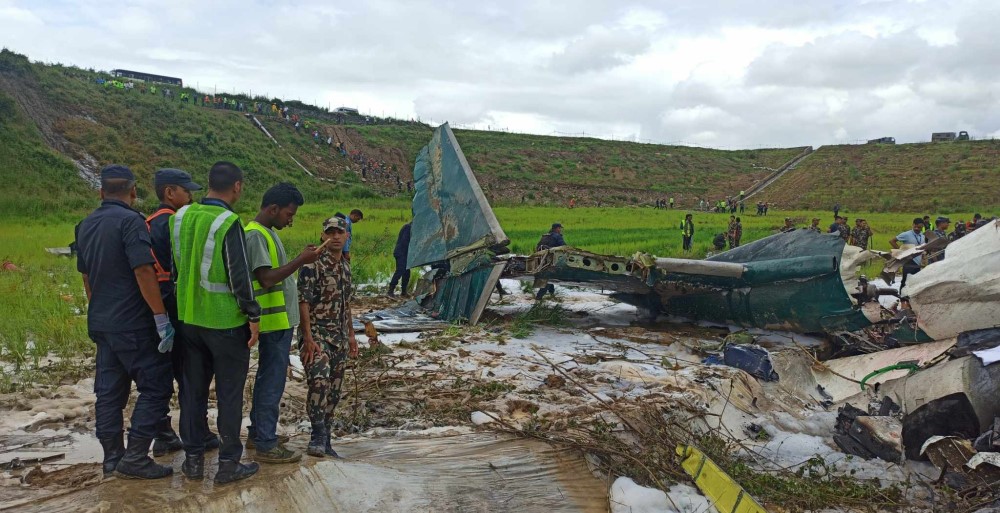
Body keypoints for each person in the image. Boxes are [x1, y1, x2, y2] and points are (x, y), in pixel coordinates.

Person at [76, 165, 174, 480]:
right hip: (132, 323)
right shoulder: (132, 222)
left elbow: (86, 275)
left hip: (102, 323)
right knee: (156, 386)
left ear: (101, 192)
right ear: (133, 192)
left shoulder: (85, 225)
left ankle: (112, 459)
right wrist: (161, 317)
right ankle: (135, 458)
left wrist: (99, 308)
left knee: (108, 393)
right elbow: (144, 270)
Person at [170, 161, 261, 484]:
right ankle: (228, 464)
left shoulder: (181, 216)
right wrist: (253, 315)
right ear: (237, 186)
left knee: (192, 392)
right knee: (229, 394)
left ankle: (193, 460)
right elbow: (240, 276)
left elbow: (176, 267)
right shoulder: (228, 222)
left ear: (207, 183)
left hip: (188, 320)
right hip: (224, 323)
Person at [146, 169, 221, 458]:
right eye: (185, 190)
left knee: (160, 374)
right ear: (169, 192)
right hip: (177, 308)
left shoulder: (150, 223)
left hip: (155, 310)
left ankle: (164, 431)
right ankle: (197, 432)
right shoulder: (175, 223)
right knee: (191, 374)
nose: (190, 196)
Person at [244, 183, 321, 464]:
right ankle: (265, 442)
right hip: (271, 322)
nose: (291, 220)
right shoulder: (255, 236)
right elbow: (266, 278)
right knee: (271, 382)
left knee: (270, 379)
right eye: (289, 214)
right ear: (273, 209)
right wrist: (301, 260)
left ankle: (259, 434)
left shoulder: (267, 234)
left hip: (278, 322)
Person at [298, 217, 357, 458]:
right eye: (330, 232)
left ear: (347, 237)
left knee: (334, 389)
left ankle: (327, 438)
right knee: (319, 381)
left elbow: (347, 304)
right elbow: (303, 302)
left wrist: (352, 336)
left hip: (340, 338)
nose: (335, 236)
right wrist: (308, 338)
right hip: (318, 336)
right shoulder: (312, 266)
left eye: (339, 232)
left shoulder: (345, 266)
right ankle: (317, 434)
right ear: (322, 236)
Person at [889, 218, 926, 290]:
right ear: (913, 225)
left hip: (918, 262)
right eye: (915, 226)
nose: (917, 229)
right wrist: (901, 252)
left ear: (922, 227)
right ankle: (902, 298)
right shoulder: (906, 234)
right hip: (908, 260)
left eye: (919, 227)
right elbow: (892, 241)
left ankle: (911, 297)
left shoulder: (922, 236)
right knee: (905, 281)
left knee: (915, 281)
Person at [534, 223, 565, 299]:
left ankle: (552, 294)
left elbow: (538, 246)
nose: (560, 230)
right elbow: (564, 246)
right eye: (559, 228)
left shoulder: (545, 236)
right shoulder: (557, 236)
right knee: (548, 278)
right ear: (556, 228)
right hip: (552, 259)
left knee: (548, 276)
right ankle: (539, 297)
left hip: (542, 259)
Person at [388, 222, 412, 297]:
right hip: (401, 252)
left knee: (407, 273)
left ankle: (404, 291)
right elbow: (405, 241)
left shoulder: (409, 227)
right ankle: (390, 291)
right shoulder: (408, 228)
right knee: (400, 270)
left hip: (405, 253)